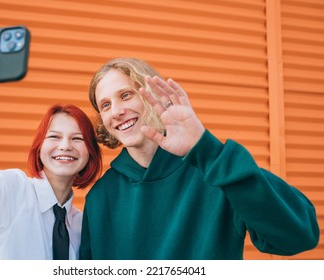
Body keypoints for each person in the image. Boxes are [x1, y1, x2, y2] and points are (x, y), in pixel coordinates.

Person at [80, 57, 320, 260]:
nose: (117, 111)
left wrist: (207, 149)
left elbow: (300, 235)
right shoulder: (100, 197)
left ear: (151, 95)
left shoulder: (215, 171)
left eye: (125, 95)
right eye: (105, 105)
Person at [0, 23, 103, 259]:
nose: (65, 145)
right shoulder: (10, 194)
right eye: (54, 136)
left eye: (77, 138)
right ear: (38, 150)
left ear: (90, 154)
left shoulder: (80, 227)